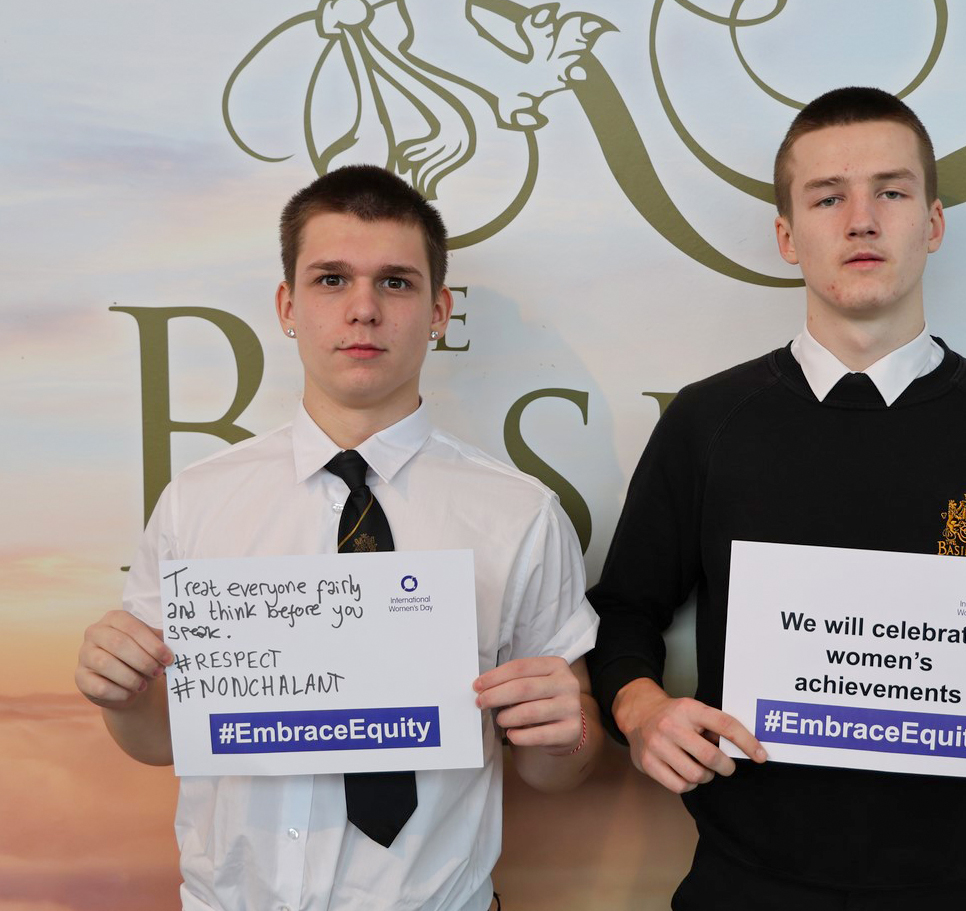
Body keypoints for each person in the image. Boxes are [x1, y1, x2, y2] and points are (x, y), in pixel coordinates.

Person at [586, 87, 966, 910]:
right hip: (745, 884)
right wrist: (641, 709)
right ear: (787, 236)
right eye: (828, 198)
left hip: (962, 888)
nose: (862, 221)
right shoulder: (708, 423)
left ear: (932, 224)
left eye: (891, 193)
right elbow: (623, 613)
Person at [75, 164, 601, 911]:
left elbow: (564, 767)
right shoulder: (198, 502)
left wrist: (568, 734)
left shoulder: (520, 514)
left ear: (439, 310)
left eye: (396, 282)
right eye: (331, 280)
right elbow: (160, 741)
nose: (363, 310)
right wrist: (122, 698)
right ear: (288, 306)